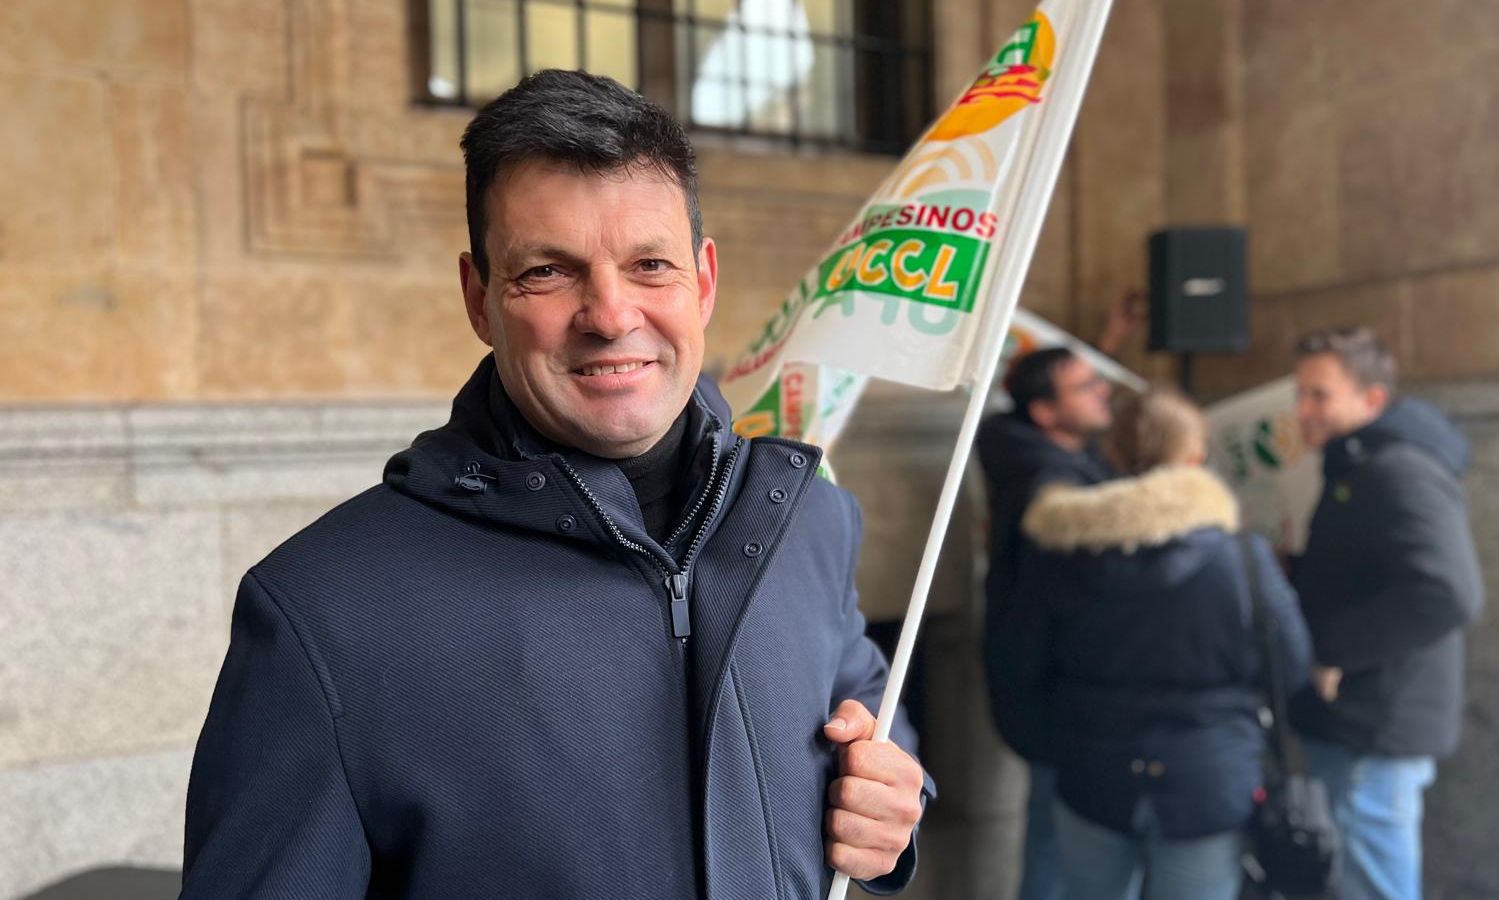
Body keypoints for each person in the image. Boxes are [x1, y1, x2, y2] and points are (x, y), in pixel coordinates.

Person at [180, 70, 928, 899]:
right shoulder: (325, 610)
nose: (610, 314)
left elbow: (866, 698)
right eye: (548, 272)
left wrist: (896, 794)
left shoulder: (806, 515)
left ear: (704, 283)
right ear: (478, 298)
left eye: (650, 264)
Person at [1011, 388, 1311, 900]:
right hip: (1208, 777)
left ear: (1114, 457)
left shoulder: (1062, 554)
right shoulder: (1239, 557)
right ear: (1194, 459)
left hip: (1091, 768)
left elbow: (1025, 664)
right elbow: (1292, 665)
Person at [1288, 327, 1484, 900]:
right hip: (1360, 720)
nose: (1303, 411)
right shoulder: (1356, 465)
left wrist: (1330, 649)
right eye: (1300, 395)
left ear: (1372, 399)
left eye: (1319, 395)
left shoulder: (1397, 470)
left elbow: (1448, 591)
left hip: (1373, 724)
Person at [976, 345, 1115, 900]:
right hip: (1064, 700)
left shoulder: (1066, 465)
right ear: (1044, 414)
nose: (1102, 390)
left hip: (1064, 700)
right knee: (1060, 855)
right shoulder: (1050, 491)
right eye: (1085, 387)